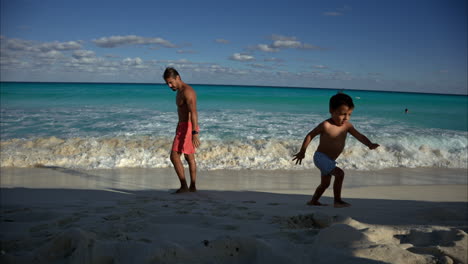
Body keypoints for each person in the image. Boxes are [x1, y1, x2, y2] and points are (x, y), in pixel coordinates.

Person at [292, 93, 379, 208]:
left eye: (349, 114)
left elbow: (359, 136)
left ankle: (313, 201)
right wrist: (302, 151)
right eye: (343, 114)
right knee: (340, 174)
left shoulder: (347, 126)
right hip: (320, 157)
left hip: (330, 160)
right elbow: (310, 135)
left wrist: (369, 144)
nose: (346, 118)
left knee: (325, 183)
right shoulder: (326, 125)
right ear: (331, 110)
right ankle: (337, 201)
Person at [163, 67, 200, 193]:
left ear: (177, 77)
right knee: (185, 156)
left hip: (189, 127)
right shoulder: (179, 91)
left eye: (170, 82)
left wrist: (195, 132)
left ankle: (190, 186)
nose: (169, 85)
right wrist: (178, 127)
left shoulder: (187, 92)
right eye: (167, 83)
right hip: (182, 126)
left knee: (177, 156)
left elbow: (193, 112)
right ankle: (189, 187)